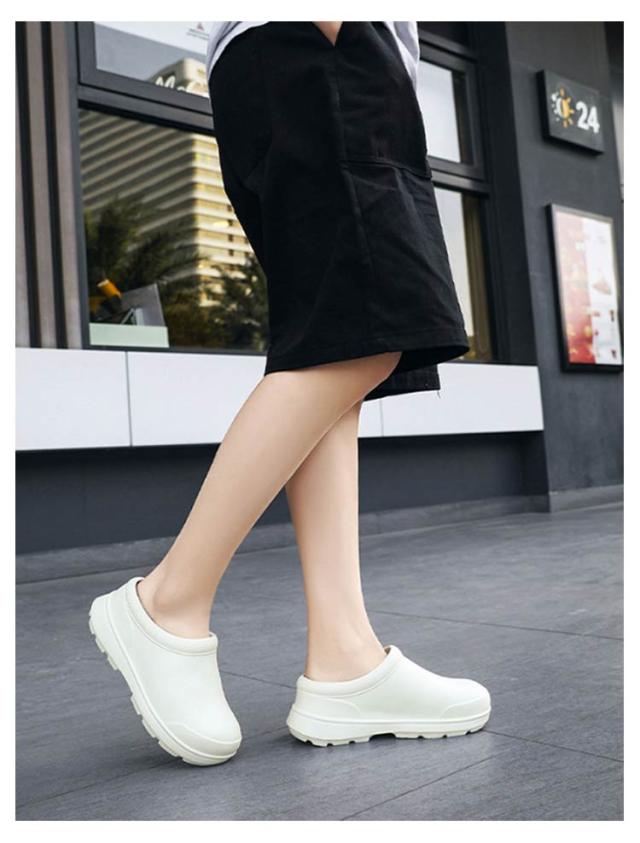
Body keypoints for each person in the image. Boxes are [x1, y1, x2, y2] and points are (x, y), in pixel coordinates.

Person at [89, 21, 491, 766]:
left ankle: (345, 656)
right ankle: (169, 601)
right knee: (370, 329)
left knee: (336, 343)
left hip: (309, 55)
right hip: (324, 45)